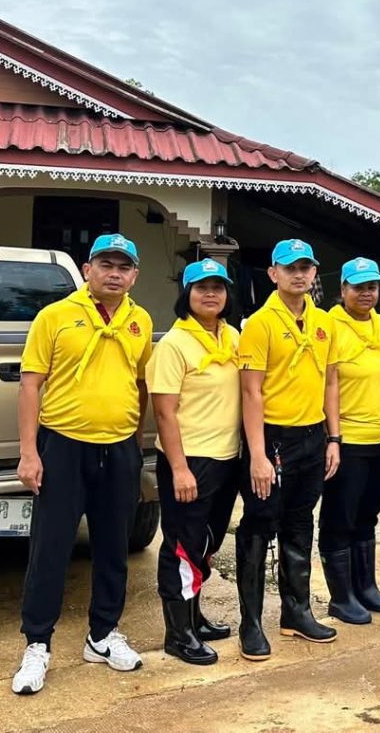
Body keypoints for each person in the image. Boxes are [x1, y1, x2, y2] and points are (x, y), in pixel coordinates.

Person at [11, 234, 152, 695]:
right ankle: (37, 642)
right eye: (106, 264)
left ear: (134, 275)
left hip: (119, 448)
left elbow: (139, 383)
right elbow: (30, 384)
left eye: (124, 267)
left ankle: (103, 634)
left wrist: (135, 439)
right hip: (64, 446)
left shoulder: (140, 320)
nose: (115, 274)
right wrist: (29, 452)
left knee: (113, 547)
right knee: (51, 548)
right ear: (88, 269)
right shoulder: (55, 316)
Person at [236, 239, 341, 659]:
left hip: (313, 436)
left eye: (305, 267)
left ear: (314, 272)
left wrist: (334, 438)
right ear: (273, 273)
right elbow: (251, 392)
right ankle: (251, 622)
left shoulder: (324, 322)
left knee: (300, 523)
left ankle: (296, 612)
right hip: (272, 437)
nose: (299, 274)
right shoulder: (260, 324)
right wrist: (257, 455)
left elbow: (331, 381)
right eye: (290, 267)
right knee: (260, 524)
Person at [146, 259, 240, 665]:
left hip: (227, 457)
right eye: (201, 287)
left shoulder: (233, 336)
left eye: (218, 287)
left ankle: (194, 618)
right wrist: (180, 468)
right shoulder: (173, 344)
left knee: (206, 543)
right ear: (186, 294)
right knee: (182, 547)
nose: (211, 294)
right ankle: (178, 633)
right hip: (189, 460)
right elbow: (164, 413)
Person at [317, 257, 380, 624]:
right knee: (340, 517)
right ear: (343, 289)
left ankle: (366, 587)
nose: (366, 293)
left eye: (372, 286)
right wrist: (332, 437)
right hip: (348, 440)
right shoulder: (328, 325)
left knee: (368, 515)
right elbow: (325, 382)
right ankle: (341, 597)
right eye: (358, 287)